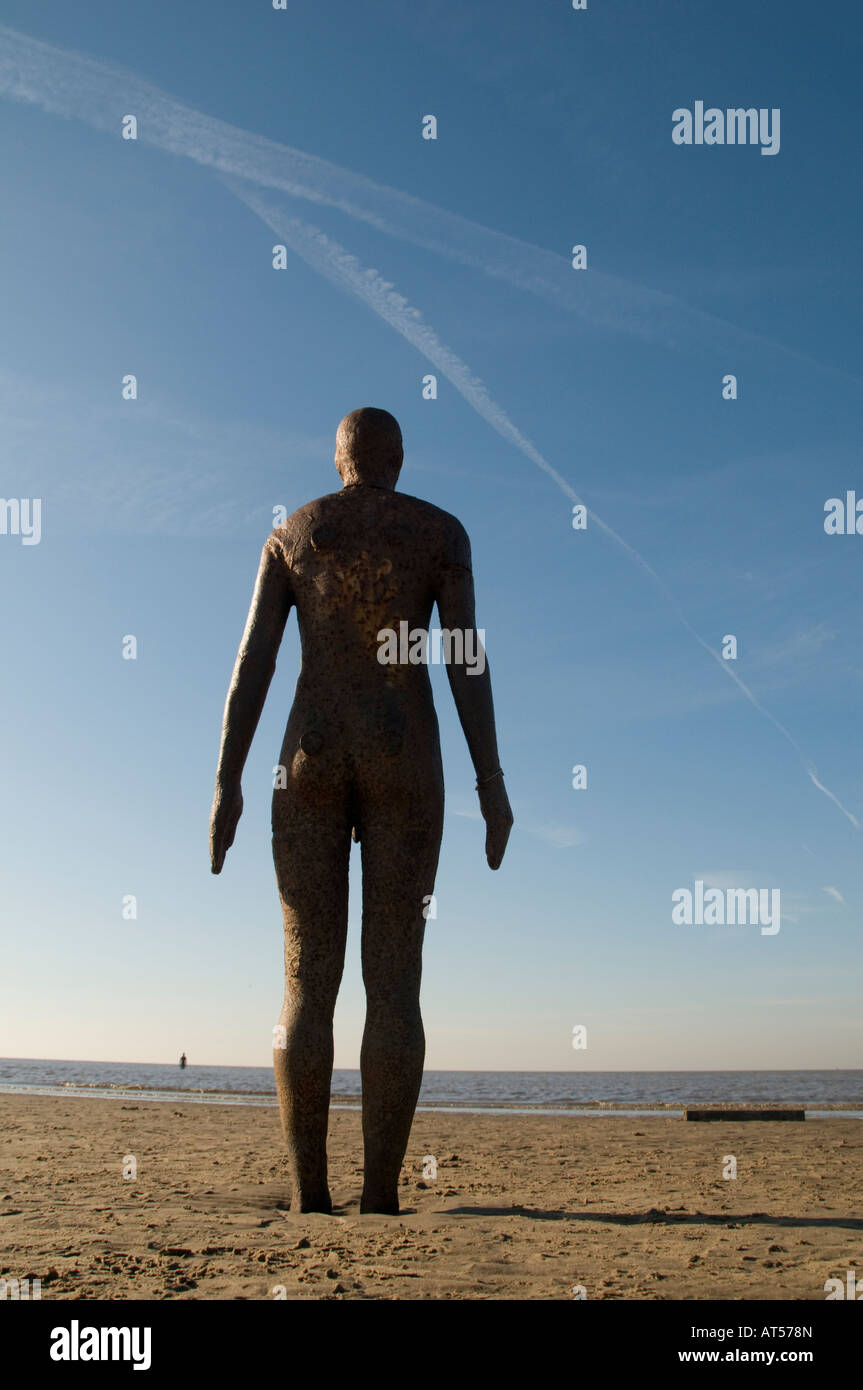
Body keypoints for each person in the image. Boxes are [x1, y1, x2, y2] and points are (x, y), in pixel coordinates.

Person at [209, 407, 512, 1213]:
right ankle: (378, 1195)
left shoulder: (294, 533)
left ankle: (312, 1194)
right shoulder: (439, 532)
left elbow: (256, 660)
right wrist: (491, 781)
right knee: (394, 981)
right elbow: (463, 660)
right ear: (398, 460)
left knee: (306, 980)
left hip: (305, 750)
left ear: (338, 457)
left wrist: (225, 779)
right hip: (403, 751)